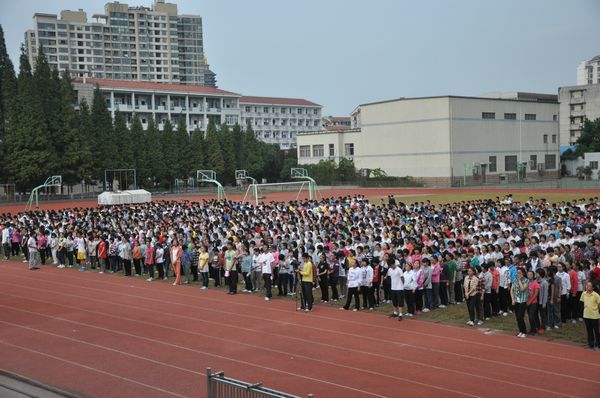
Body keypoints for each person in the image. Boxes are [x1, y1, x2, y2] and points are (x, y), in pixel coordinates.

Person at [580, 281, 600, 350]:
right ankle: (590, 343)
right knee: (589, 330)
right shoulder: (583, 294)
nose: (587, 287)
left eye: (589, 286)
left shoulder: (596, 295)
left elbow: (599, 304)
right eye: (586, 285)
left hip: (594, 315)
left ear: (593, 288)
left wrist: (597, 311)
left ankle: (598, 344)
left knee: (596, 330)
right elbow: (582, 303)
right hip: (586, 315)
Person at [510, 268, 529, 338]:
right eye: (517, 273)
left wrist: (519, 280)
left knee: (520, 316)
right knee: (517, 317)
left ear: (523, 273)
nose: (518, 274)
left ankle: (524, 331)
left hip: (523, 301)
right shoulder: (514, 280)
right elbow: (512, 290)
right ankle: (520, 331)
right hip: (516, 301)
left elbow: (522, 289)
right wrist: (512, 299)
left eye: (520, 273)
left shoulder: (526, 281)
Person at [526, 270, 540, 336]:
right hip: (527, 302)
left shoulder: (535, 283)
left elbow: (536, 294)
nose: (529, 276)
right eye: (528, 274)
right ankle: (532, 329)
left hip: (533, 303)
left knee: (532, 316)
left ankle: (534, 330)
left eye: (531, 275)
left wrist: (530, 301)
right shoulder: (526, 283)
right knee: (529, 316)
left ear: (533, 276)